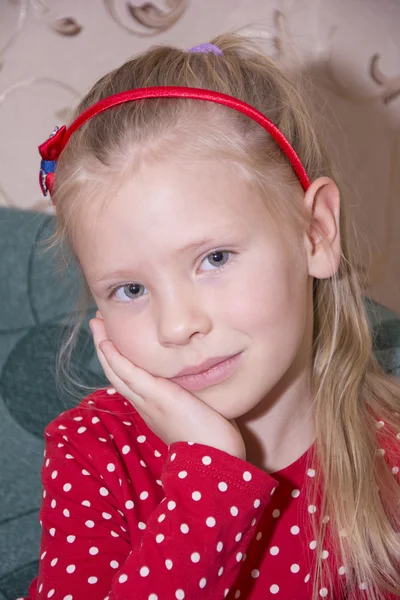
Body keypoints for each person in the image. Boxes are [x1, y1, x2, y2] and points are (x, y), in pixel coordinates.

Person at [23, 33, 400, 600]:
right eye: (129, 288)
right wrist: (209, 480)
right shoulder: (94, 452)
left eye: (214, 259)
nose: (177, 326)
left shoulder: (387, 454)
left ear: (316, 233)